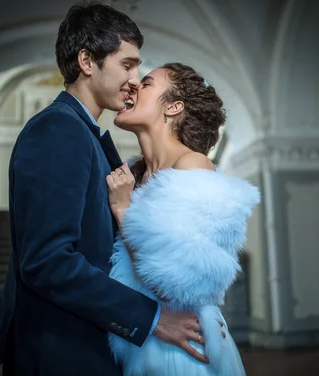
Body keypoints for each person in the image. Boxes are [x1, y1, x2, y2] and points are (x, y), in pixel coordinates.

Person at [0, 3, 209, 376]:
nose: (135, 79)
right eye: (128, 64)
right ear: (87, 61)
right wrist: (151, 319)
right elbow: (47, 261)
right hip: (60, 353)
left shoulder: (85, 136)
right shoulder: (58, 129)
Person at [105, 63, 260, 375]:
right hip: (140, 344)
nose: (134, 87)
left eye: (146, 83)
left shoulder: (194, 165)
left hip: (184, 350)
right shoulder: (133, 176)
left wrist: (123, 211)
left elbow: (179, 284)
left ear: (174, 107)